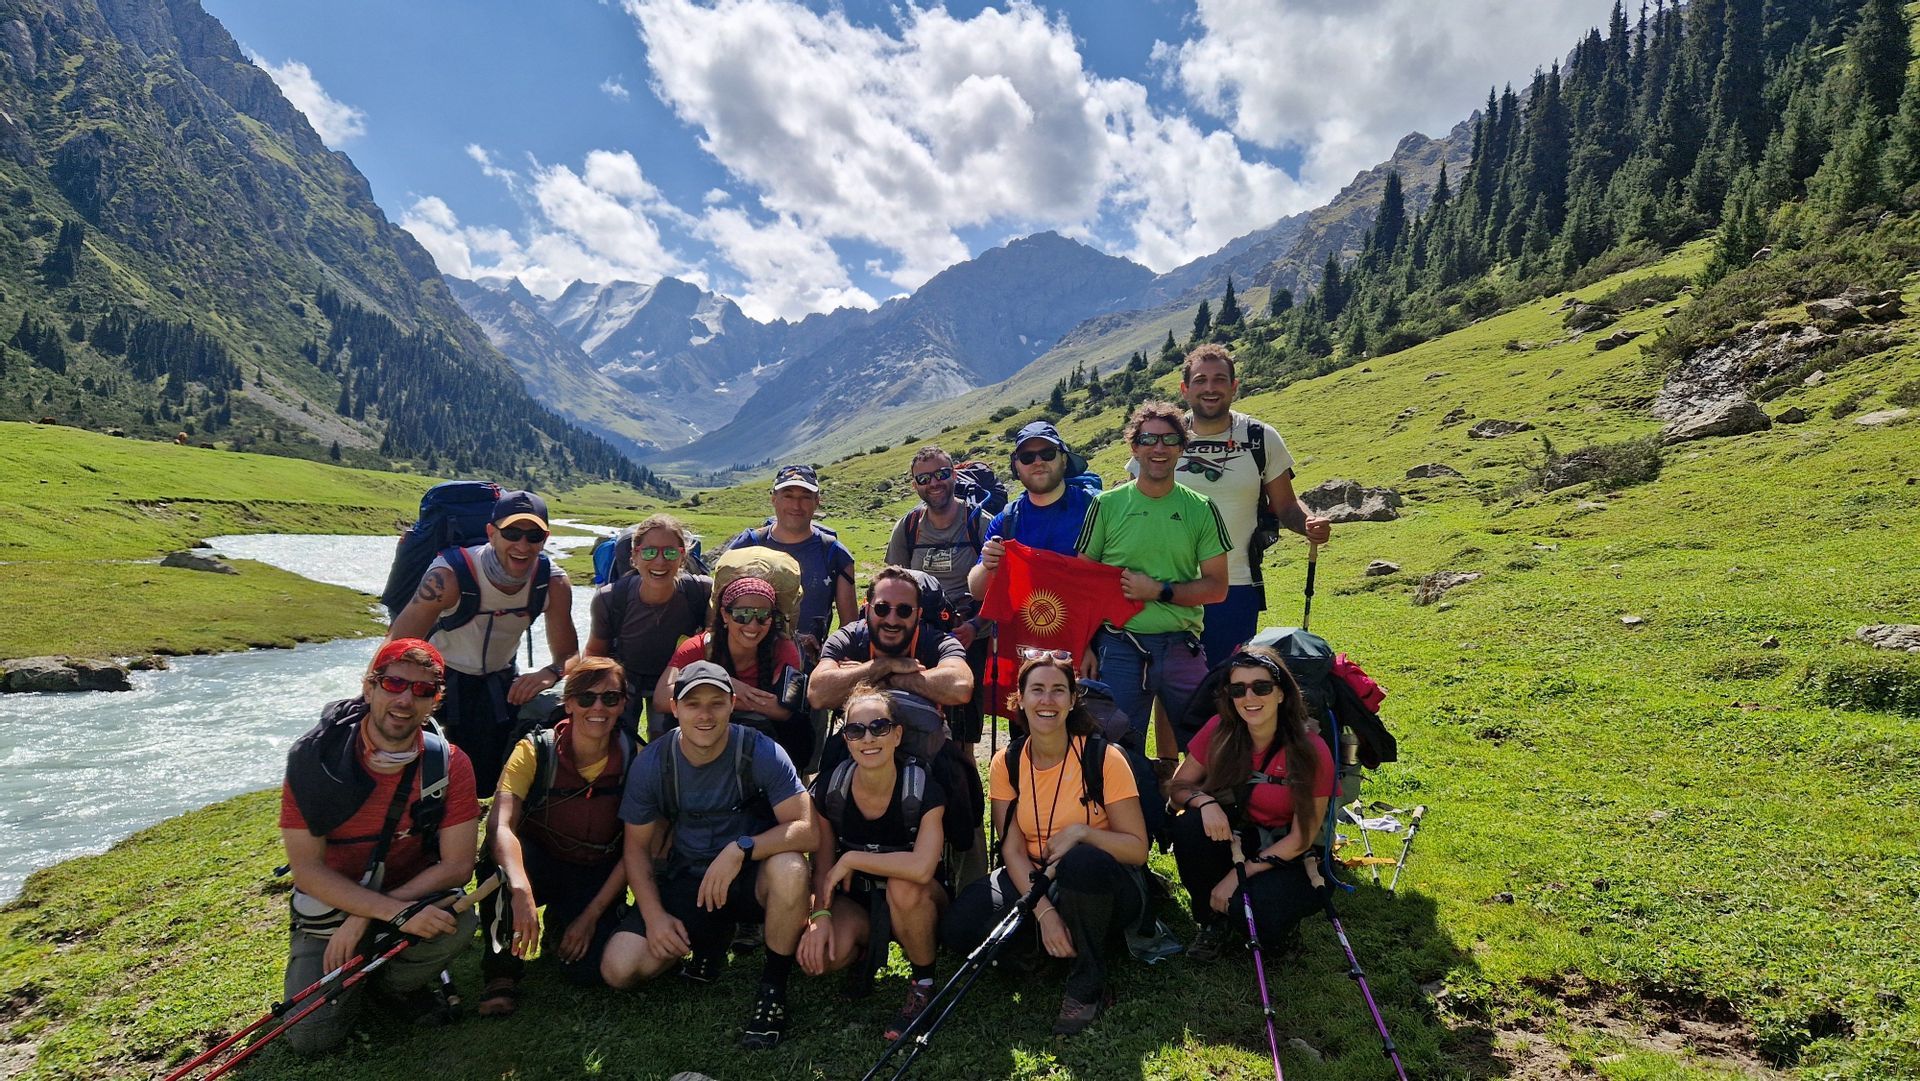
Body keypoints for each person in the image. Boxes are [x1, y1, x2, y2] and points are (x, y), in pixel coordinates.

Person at [278, 638, 481, 1054]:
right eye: (394, 684)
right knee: (311, 1039)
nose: (406, 699)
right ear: (369, 688)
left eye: (423, 690)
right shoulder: (312, 759)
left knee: (458, 923)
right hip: (335, 905)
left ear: (435, 701)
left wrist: (378, 916)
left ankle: (386, 984)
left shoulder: (450, 764)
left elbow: (459, 867)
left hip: (407, 897)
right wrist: (377, 913)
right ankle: (360, 980)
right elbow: (308, 871)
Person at [600, 661, 816, 1051]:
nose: (704, 714)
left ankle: (773, 987)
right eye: (693, 703)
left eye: (716, 703)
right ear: (674, 707)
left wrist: (742, 848)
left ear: (732, 704)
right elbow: (635, 848)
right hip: (689, 878)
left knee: (790, 866)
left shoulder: (761, 750)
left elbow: (807, 829)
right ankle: (710, 940)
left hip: (751, 877)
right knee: (619, 969)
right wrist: (654, 917)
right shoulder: (653, 763)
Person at [940, 655, 1149, 1037]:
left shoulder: (1104, 757)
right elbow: (1013, 852)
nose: (1047, 701)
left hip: (1103, 881)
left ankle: (1089, 982)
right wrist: (1046, 914)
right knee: (959, 927)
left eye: (1058, 691)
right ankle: (1056, 943)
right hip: (1037, 877)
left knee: (1081, 861)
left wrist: (1083, 833)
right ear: (1019, 699)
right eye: (1037, 690)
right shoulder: (1008, 761)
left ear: (1073, 700)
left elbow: (1137, 849)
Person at [476, 655, 637, 1016]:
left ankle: (563, 925)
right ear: (568, 702)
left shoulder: (634, 757)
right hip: (538, 863)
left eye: (610, 698)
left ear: (624, 704)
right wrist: (520, 887)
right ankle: (501, 972)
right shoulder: (533, 750)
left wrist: (591, 916)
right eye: (585, 697)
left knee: (585, 971)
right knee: (496, 870)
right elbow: (499, 825)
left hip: (596, 870)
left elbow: (637, 848)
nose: (598, 707)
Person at [388, 490, 577, 795]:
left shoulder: (552, 583)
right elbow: (397, 643)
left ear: (546, 539)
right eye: (512, 533)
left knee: (483, 783)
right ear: (491, 533)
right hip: (439, 681)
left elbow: (569, 654)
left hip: (499, 683)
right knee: (425, 779)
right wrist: (374, 700)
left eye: (534, 536)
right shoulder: (448, 577)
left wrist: (549, 673)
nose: (522, 545)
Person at [1075, 401, 1230, 752]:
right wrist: (1083, 645)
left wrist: (1158, 590)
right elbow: (1083, 583)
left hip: (1180, 646)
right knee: (1114, 748)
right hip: (1119, 644)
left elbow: (1217, 587)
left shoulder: (1201, 509)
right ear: (1135, 447)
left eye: (1169, 439)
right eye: (1149, 439)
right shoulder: (1106, 505)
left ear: (1181, 447)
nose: (1159, 448)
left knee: (1204, 747)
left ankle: (1186, 799)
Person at [1163, 646, 1335, 960]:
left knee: (1254, 915)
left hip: (1290, 854)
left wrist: (1234, 878)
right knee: (1190, 824)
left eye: (1262, 687)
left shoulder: (1311, 750)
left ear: (1282, 693)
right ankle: (1211, 921)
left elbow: (1301, 839)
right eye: (1238, 689)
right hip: (1240, 838)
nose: (1249, 697)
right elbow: (1178, 786)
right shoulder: (1220, 730)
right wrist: (1204, 802)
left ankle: (1274, 923)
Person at [799, 685, 949, 1041]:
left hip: (920, 900)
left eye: (879, 727)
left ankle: (924, 982)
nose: (868, 738)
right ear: (847, 739)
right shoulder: (831, 789)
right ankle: (867, 951)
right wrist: (819, 917)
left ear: (897, 735)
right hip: (862, 904)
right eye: (856, 730)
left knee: (904, 884)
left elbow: (922, 868)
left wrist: (852, 857)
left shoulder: (922, 787)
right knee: (827, 956)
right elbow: (821, 867)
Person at [1177, 345, 1333, 666]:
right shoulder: (1164, 438)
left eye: (1220, 379)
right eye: (1200, 380)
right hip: (1169, 583)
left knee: (1229, 685)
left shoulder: (1260, 437)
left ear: (1234, 387)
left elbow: (1286, 506)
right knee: (1173, 692)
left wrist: (1308, 524)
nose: (1210, 388)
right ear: (1185, 389)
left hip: (1235, 587)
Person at [885, 446, 993, 753]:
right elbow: (893, 583)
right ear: (915, 484)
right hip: (921, 640)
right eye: (924, 478)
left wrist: (976, 625)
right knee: (914, 729)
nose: (934, 483)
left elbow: (1001, 588)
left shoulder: (979, 523)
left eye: (942, 474)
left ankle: (963, 792)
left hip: (970, 639)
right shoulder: (907, 528)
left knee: (962, 740)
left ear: (954, 475)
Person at [655, 575, 810, 765]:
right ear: (725, 615)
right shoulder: (698, 647)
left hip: (765, 748)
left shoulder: (782, 648)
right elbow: (661, 698)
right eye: (742, 614)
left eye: (762, 615)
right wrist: (723, 686)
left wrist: (716, 699)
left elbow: (785, 710)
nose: (753, 625)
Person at [584, 513, 712, 741]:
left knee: (668, 743)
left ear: (683, 557)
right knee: (617, 744)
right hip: (624, 676)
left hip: (676, 678)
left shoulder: (701, 592)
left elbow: (716, 642)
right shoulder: (611, 598)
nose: (660, 561)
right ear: (635, 556)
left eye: (671, 552)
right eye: (650, 552)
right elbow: (595, 654)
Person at [722, 463, 857, 657]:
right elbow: (719, 607)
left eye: (805, 497)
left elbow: (849, 628)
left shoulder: (835, 554)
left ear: (817, 501)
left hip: (807, 667)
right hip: (745, 663)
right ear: (774, 499)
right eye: (788, 495)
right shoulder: (747, 544)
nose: (796, 505)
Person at [807, 566, 975, 713]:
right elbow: (818, 694)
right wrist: (886, 665)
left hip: (923, 745)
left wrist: (884, 678)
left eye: (904, 610)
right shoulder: (848, 638)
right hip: (861, 742)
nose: (892, 620)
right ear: (866, 611)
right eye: (882, 608)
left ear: (919, 614)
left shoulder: (937, 642)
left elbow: (961, 687)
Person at [966, 422, 1095, 603]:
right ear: (1017, 467)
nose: (1038, 462)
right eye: (1027, 457)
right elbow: (978, 592)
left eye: (1048, 453)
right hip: (1031, 628)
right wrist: (987, 565)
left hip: (1090, 628)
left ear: (1064, 460)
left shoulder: (1095, 508)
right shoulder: (1006, 521)